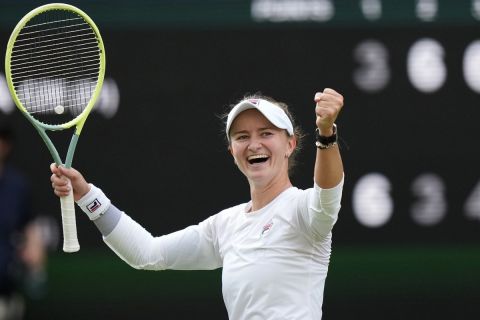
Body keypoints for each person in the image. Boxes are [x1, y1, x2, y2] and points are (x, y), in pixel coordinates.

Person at [50, 88, 345, 320]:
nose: (254, 144)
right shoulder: (226, 226)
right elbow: (147, 253)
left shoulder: (303, 211)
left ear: (290, 144)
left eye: (266, 133)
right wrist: (86, 195)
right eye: (243, 137)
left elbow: (327, 195)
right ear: (233, 152)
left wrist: (327, 135)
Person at [0, 120, 47, 320]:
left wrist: (34, 250)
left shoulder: (17, 186)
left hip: (7, 293)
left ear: (5, 145)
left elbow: (30, 227)